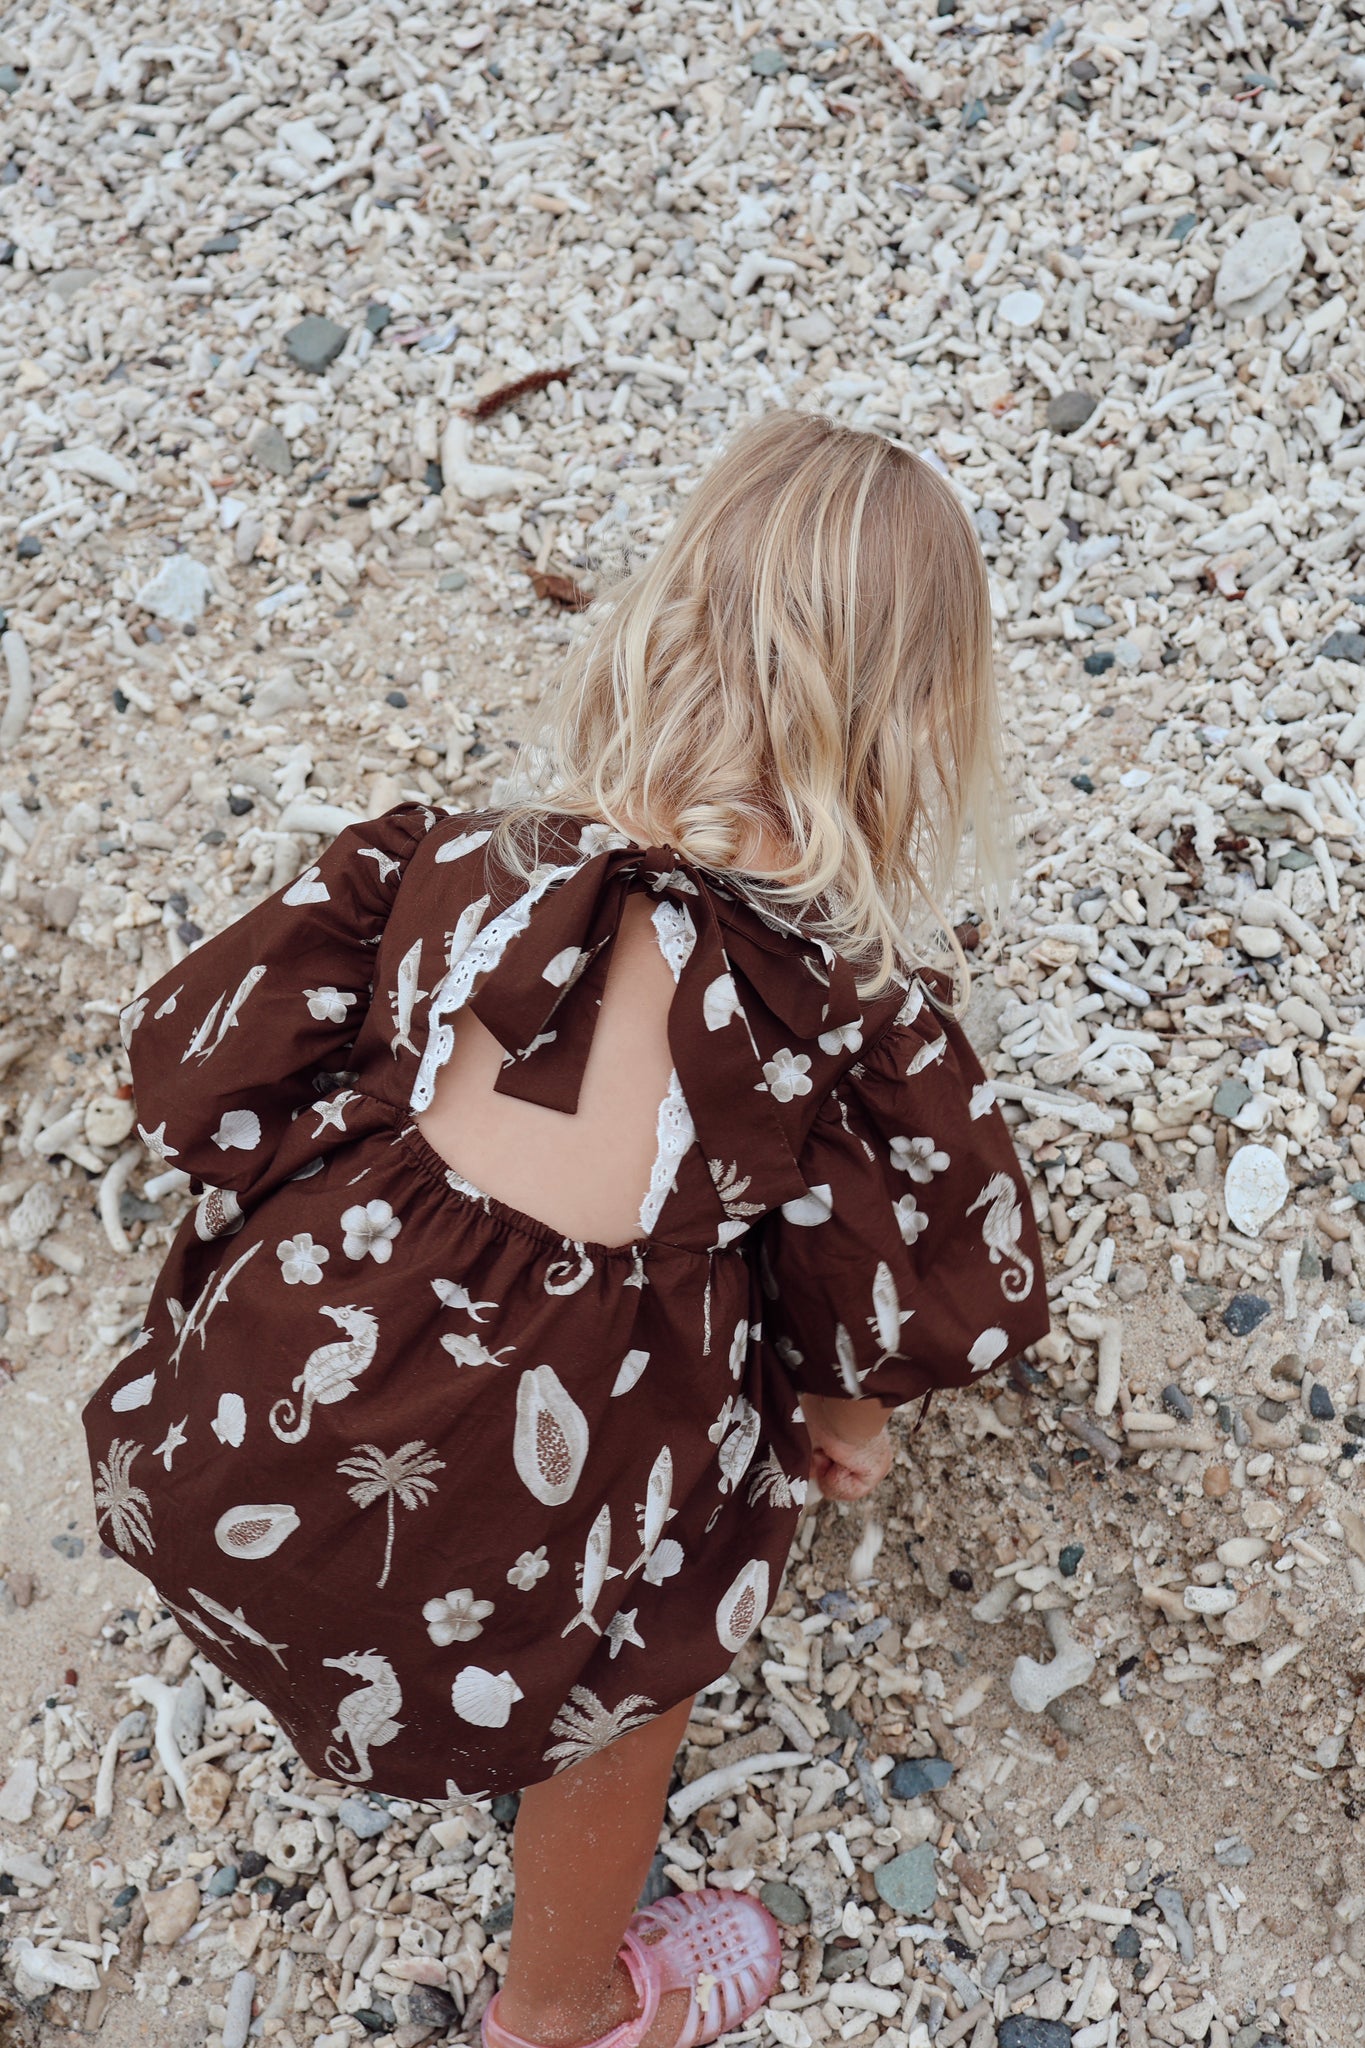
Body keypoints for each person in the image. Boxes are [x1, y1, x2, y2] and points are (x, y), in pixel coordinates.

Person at [83, 408, 1049, 2048]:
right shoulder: (829, 1021)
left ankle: (364, 1634)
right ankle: (561, 2008)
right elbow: (865, 1289)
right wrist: (846, 1422)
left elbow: (211, 1070)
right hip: (498, 1525)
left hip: (226, 1447)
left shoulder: (459, 863)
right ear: (915, 731)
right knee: (633, 1689)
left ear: (660, 627)